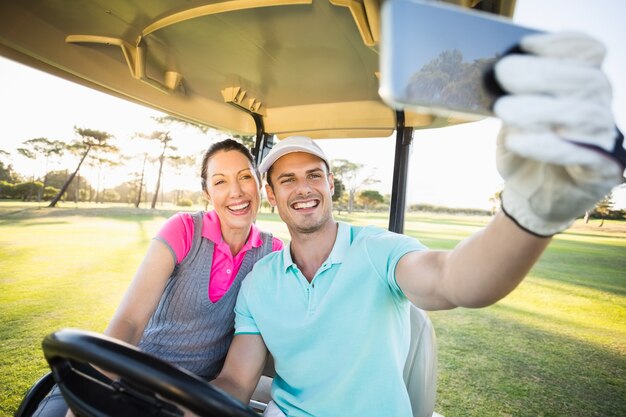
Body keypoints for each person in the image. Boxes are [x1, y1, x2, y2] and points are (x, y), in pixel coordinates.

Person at [209, 32, 625, 417]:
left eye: (314, 175)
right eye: (287, 180)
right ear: (272, 194)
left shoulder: (378, 250)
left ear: (330, 183)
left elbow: (453, 281)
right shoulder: (260, 282)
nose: (303, 188)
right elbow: (236, 381)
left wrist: (534, 210)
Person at [32, 138, 283, 417]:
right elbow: (129, 322)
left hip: (193, 392)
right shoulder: (184, 229)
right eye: (220, 181)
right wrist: (97, 387)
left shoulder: (273, 253)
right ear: (207, 192)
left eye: (245, 176)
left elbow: (238, 376)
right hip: (130, 374)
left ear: (259, 183)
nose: (236, 191)